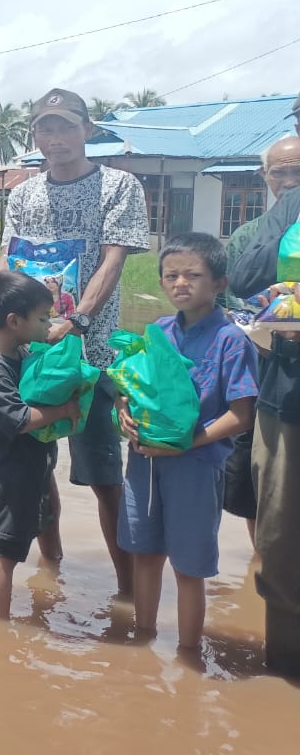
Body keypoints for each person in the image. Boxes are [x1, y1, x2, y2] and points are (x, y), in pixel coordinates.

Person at [0, 88, 149, 597]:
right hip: (34, 355)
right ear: (35, 135)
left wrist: (79, 321)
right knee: (36, 470)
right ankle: (51, 571)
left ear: (88, 130)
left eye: (66, 127)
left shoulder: (118, 185)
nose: (56, 138)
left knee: (106, 476)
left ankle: (128, 589)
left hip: (95, 355)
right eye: (46, 128)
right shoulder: (23, 193)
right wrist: (3, 325)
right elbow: (8, 264)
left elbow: (113, 260)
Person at [116, 233, 258, 650]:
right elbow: (131, 385)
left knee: (189, 568)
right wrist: (123, 410)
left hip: (196, 469)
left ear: (219, 284)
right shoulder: (157, 332)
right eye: (171, 275)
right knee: (145, 554)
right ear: (161, 282)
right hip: (145, 464)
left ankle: (188, 655)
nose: (181, 283)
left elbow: (241, 415)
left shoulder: (232, 339)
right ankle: (143, 642)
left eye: (194, 275)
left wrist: (183, 445)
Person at [229, 126, 300, 677]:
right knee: (275, 529)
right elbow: (242, 280)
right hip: (276, 388)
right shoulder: (261, 229)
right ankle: (283, 675)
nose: (293, 181)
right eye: (284, 172)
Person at [0, 271, 80, 620]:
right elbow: (18, 419)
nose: (48, 324)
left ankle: (53, 583)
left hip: (35, 465)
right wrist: (63, 409)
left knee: (49, 520)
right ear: (14, 321)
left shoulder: (20, 350)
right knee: (5, 549)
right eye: (43, 318)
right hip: (9, 474)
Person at [220, 136, 300, 545]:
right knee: (252, 479)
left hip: (291, 376)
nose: (288, 182)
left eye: (297, 172)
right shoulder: (248, 236)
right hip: (256, 373)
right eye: (278, 172)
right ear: (263, 176)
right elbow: (232, 302)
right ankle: (258, 563)